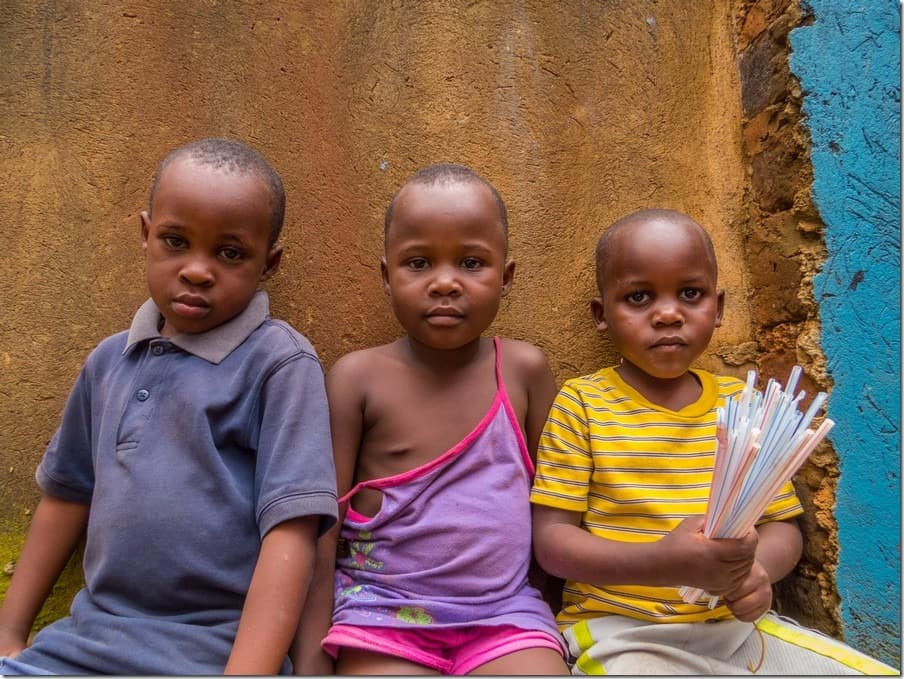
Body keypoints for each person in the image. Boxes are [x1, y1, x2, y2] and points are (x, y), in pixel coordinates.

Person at [0, 138, 338, 675]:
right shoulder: (110, 362)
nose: (197, 270)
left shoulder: (278, 363)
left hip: (212, 652)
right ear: (145, 234)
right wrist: (10, 633)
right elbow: (66, 496)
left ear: (268, 263)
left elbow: (292, 532)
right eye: (175, 241)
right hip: (83, 646)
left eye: (230, 253)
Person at [529, 208, 897, 675]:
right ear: (602, 315)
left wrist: (755, 571)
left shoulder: (742, 404)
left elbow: (782, 526)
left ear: (718, 308)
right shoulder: (581, 404)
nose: (667, 314)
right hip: (619, 631)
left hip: (735, 627)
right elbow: (553, 544)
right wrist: (662, 563)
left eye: (690, 294)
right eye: (639, 297)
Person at [300, 164, 569, 675]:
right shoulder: (357, 379)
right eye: (418, 263)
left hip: (506, 615)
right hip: (380, 615)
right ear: (386, 276)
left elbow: (556, 509)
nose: (445, 283)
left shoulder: (523, 371)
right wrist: (312, 664)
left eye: (471, 263)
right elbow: (321, 532)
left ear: (506, 278)